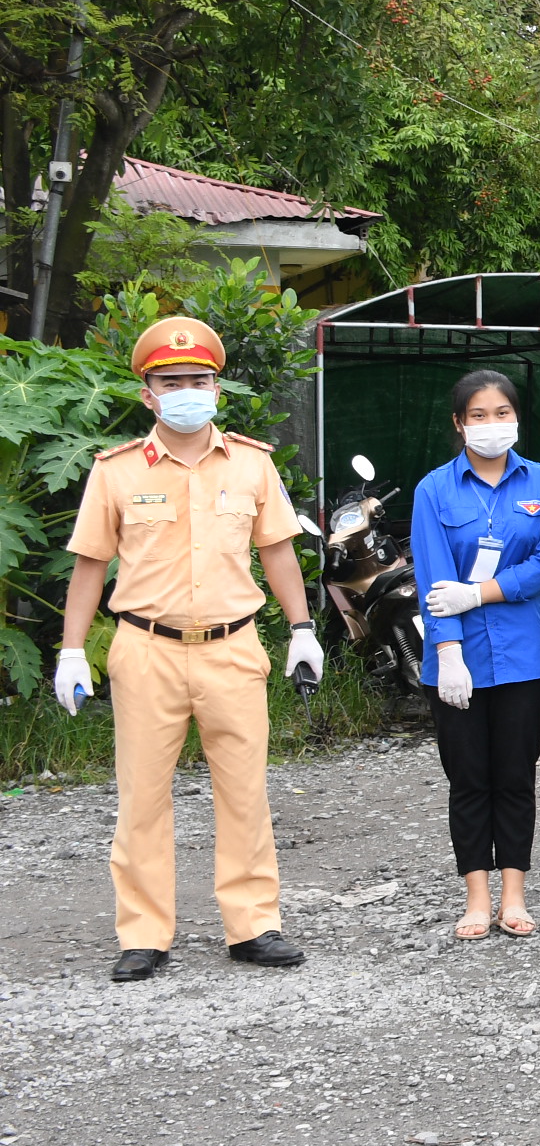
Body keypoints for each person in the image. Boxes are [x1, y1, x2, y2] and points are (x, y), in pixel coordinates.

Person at [56, 315, 322, 982]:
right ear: (147, 394)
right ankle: (144, 933)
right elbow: (90, 565)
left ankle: (253, 924)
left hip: (232, 648)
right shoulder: (116, 471)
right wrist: (70, 651)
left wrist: (302, 630)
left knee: (245, 793)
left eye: (198, 380)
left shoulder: (252, 463)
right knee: (142, 798)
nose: (187, 392)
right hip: (147, 650)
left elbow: (278, 552)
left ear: (217, 388)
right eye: (171, 382)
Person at [413, 369, 540, 941]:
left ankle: (514, 896)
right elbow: (433, 576)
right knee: (469, 779)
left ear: (517, 418)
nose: (491, 424)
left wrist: (480, 592)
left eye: (502, 413)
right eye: (478, 415)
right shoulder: (434, 490)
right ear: (459, 423)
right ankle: (477, 898)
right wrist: (448, 652)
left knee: (516, 777)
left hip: (524, 657)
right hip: (458, 660)